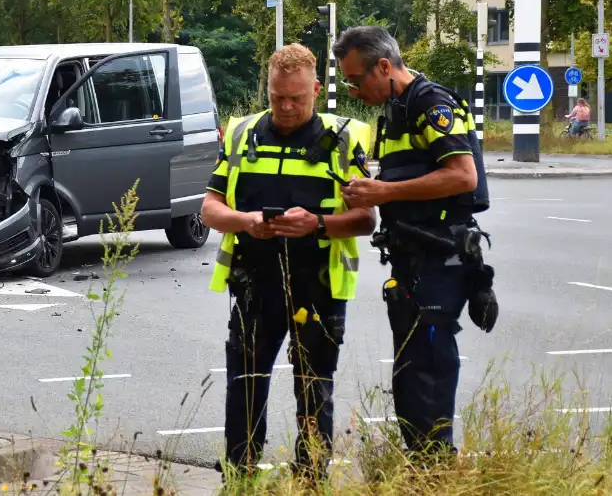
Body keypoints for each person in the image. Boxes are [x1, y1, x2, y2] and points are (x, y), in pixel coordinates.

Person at [202, 43, 377, 480]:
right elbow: (209, 208)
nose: (285, 106)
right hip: (256, 285)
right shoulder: (243, 133)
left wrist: (316, 224)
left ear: (316, 90)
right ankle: (241, 477)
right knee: (244, 386)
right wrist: (245, 221)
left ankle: (311, 480)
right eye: (278, 96)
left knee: (314, 391)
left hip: (317, 284)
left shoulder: (341, 140)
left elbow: (365, 219)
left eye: (296, 98)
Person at [332, 25, 498, 461]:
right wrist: (376, 185)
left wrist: (383, 192)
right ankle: (422, 464)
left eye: (355, 79)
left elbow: (463, 176)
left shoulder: (430, 103)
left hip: (440, 255)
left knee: (427, 368)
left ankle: (436, 468)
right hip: (413, 257)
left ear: (384, 66)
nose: (352, 90)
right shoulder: (397, 108)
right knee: (410, 369)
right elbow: (412, 176)